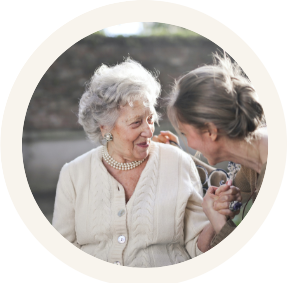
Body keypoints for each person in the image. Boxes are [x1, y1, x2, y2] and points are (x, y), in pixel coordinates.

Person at [52, 58, 231, 267]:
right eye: (136, 122)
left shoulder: (177, 162)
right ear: (105, 128)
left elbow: (197, 247)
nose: (148, 130)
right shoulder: (74, 174)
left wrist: (214, 216)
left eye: (150, 119)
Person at [158, 54, 268, 248]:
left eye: (185, 133)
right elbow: (205, 246)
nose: (189, 143)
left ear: (210, 131)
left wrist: (216, 219)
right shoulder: (251, 166)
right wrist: (217, 211)